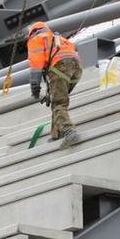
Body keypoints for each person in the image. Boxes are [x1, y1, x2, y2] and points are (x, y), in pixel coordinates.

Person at [26, 20, 82, 148]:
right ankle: (56, 134)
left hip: (60, 68)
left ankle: (69, 132)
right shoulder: (58, 38)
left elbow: (36, 66)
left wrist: (35, 89)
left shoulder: (36, 40)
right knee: (57, 99)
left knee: (58, 103)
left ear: (32, 33)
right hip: (76, 69)